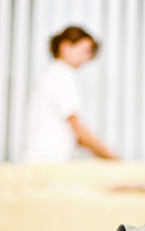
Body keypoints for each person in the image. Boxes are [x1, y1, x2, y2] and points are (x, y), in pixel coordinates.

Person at [23, 26, 117, 163]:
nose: (88, 57)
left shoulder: (52, 74)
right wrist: (113, 157)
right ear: (65, 46)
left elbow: (75, 134)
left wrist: (99, 151)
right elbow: (78, 129)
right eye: (85, 51)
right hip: (47, 160)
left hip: (40, 158)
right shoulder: (63, 75)